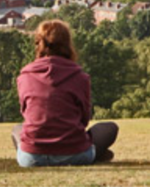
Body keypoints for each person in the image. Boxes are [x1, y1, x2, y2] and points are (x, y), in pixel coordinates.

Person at [14, 20, 118, 167]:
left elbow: (26, 113)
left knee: (17, 129)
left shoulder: (24, 76)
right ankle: (94, 153)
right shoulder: (80, 77)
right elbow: (84, 119)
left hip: (31, 158)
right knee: (109, 128)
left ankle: (31, 153)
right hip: (76, 154)